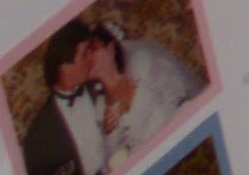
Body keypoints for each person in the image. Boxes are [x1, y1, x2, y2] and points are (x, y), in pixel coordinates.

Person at [22, 19, 107, 175]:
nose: (92, 57)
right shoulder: (39, 134)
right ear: (65, 68)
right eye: (85, 53)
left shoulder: (97, 85)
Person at [86, 22, 203, 166]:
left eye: (94, 49)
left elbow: (176, 101)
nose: (89, 58)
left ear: (110, 49)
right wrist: (111, 132)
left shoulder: (143, 64)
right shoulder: (100, 108)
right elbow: (112, 163)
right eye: (85, 54)